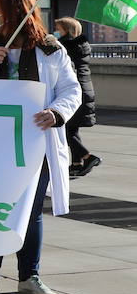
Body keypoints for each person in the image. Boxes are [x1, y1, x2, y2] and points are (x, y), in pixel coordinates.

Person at [0, 0, 81, 294]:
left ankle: (30, 276)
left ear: (16, 12)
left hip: (34, 143)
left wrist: (56, 112)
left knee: (31, 210)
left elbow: (71, 89)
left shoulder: (51, 49)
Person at [56, 17, 99, 178]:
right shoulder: (81, 46)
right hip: (85, 90)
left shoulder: (66, 47)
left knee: (66, 129)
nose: (56, 32)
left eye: (59, 29)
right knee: (72, 129)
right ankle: (76, 164)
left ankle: (88, 157)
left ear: (66, 30)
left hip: (74, 92)